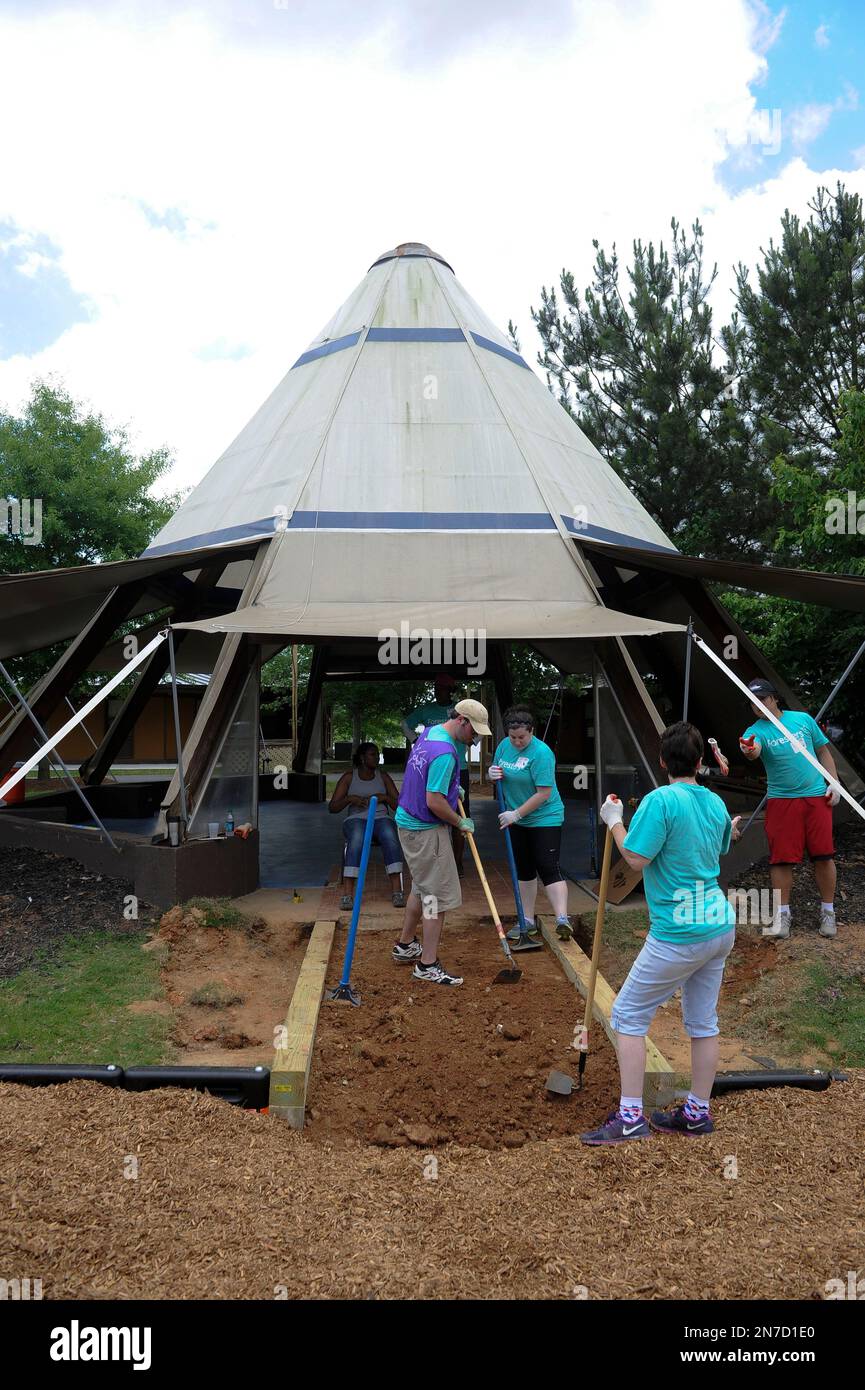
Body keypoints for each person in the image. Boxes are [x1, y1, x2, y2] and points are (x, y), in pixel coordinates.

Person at [581, 721, 742, 1146]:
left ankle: (631, 1118)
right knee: (703, 1021)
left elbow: (634, 857)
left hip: (680, 930)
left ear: (661, 761)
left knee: (628, 1016)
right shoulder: (713, 801)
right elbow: (723, 844)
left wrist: (613, 820)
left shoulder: (660, 799)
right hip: (718, 923)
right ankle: (696, 1113)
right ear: (701, 761)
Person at [392, 699, 491, 986]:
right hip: (424, 829)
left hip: (408, 822)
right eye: (475, 733)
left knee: (421, 888)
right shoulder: (446, 753)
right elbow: (433, 801)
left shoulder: (429, 734)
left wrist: (450, 785)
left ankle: (406, 945)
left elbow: (423, 776)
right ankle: (427, 964)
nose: (474, 741)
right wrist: (460, 821)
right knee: (435, 898)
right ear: (462, 720)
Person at [739, 678, 839, 939]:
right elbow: (754, 749)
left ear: (774, 698)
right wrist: (749, 749)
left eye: (763, 699)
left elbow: (823, 751)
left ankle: (828, 911)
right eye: (752, 702)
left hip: (816, 797)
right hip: (782, 801)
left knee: (824, 855)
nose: (758, 705)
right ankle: (782, 915)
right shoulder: (756, 729)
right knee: (781, 859)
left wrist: (834, 783)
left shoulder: (802, 720)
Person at [488, 705, 570, 941]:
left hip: (545, 817)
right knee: (523, 869)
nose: (517, 741)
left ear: (531, 731)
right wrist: (494, 775)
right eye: (513, 737)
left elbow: (544, 793)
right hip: (517, 818)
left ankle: (562, 919)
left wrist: (516, 814)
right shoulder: (505, 746)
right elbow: (498, 774)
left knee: (547, 865)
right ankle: (527, 920)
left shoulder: (542, 753)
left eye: (522, 737)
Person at [401, 674, 470, 873]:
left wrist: (471, 740)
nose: (439, 692)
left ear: (451, 691)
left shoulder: (460, 711)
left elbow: (479, 732)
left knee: (459, 816)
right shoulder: (426, 711)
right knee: (438, 809)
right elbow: (405, 724)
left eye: (443, 689)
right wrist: (415, 739)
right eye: (436, 688)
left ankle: (457, 864)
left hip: (459, 769)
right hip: (435, 765)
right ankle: (439, 865)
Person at [328, 743, 404, 910]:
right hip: (356, 819)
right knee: (357, 839)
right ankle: (348, 895)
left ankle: (397, 891)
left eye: (377, 755)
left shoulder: (383, 777)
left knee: (390, 836)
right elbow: (332, 807)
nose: (376, 758)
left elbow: (400, 806)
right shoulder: (349, 777)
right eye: (372, 754)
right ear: (362, 758)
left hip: (380, 818)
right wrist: (349, 799)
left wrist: (384, 797)